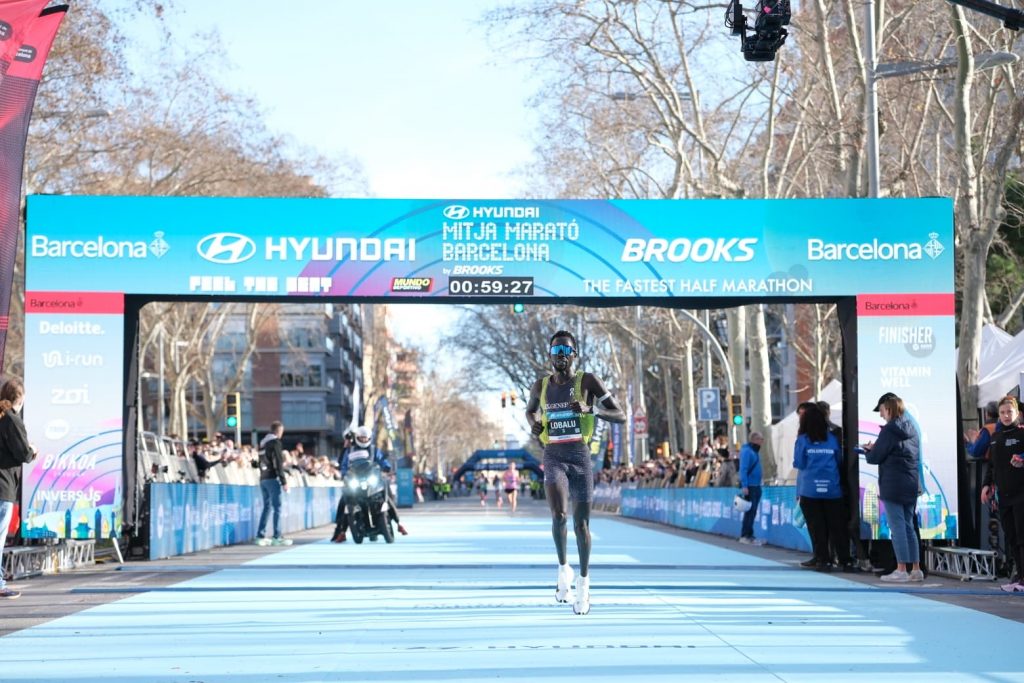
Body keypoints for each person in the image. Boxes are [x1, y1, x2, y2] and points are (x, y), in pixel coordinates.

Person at [525, 330, 625, 615]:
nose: (560, 356)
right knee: (558, 516)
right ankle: (562, 570)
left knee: (581, 525)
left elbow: (620, 415)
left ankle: (583, 583)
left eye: (565, 351)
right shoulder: (540, 385)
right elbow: (530, 411)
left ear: (574, 355)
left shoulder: (588, 381)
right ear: (550, 355)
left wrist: (591, 410)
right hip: (554, 455)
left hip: (580, 457)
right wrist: (534, 424)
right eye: (556, 352)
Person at [865, 393, 922, 582]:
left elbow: (875, 457)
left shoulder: (889, 430)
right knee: (909, 527)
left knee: (897, 528)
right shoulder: (912, 427)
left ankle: (901, 570)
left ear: (888, 409)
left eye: (881, 411)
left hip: (893, 484)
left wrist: (868, 451)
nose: (881, 415)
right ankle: (916, 569)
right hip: (910, 483)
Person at [794, 405, 852, 572]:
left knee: (816, 528)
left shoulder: (802, 440)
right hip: (832, 489)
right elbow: (839, 461)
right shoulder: (832, 439)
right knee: (838, 527)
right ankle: (845, 560)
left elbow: (799, 463)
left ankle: (823, 560)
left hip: (810, 490)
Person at [332, 425, 406, 542]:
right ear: (356, 438)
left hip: (372, 481)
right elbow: (343, 464)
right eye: (361, 438)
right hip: (356, 481)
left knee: (385, 497)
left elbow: (382, 460)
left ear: (369, 438)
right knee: (345, 500)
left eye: (365, 438)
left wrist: (386, 467)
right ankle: (341, 531)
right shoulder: (350, 450)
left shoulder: (373, 449)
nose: (363, 440)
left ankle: (398, 523)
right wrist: (344, 474)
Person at [981, 396, 1024, 592]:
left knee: (1022, 537)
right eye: (1003, 413)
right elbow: (992, 466)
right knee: (1012, 538)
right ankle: (1019, 577)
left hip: (1021, 494)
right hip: (1004, 496)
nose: (1006, 416)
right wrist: (986, 485)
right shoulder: (995, 437)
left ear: (1017, 413)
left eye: (1009, 412)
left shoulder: (1022, 433)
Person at [0, 379, 37, 599]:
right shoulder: (11, 420)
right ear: (20, 398)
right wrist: (32, 451)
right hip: (3, 486)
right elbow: (23, 453)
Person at [255, 421, 292, 547]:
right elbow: (278, 463)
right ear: (279, 431)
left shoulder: (262, 444)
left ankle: (260, 535)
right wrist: (284, 481)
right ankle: (277, 536)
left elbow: (259, 462)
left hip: (263, 479)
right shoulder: (275, 443)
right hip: (272, 478)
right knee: (277, 508)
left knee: (267, 507)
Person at [737, 432, 765, 546]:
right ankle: (745, 535)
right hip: (751, 486)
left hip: (756, 485)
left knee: (752, 512)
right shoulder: (747, 451)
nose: (762, 442)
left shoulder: (754, 451)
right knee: (750, 511)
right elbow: (743, 469)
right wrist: (745, 485)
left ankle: (749, 534)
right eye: (761, 439)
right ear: (755, 439)